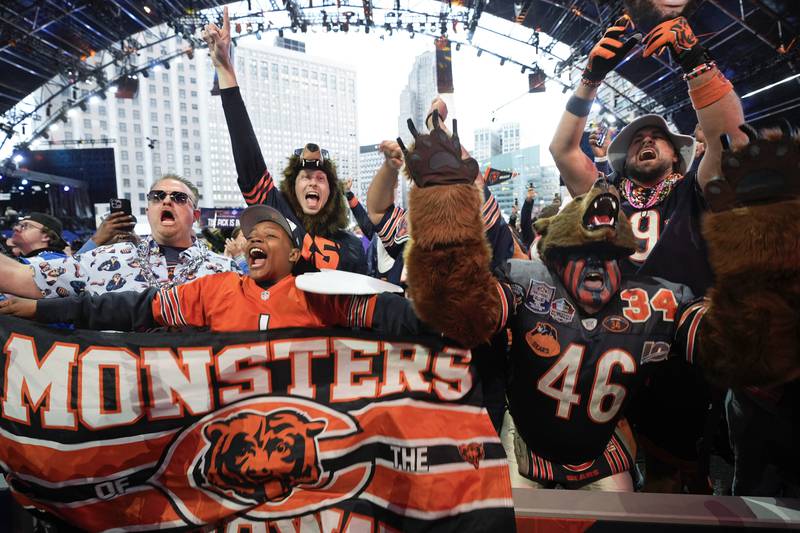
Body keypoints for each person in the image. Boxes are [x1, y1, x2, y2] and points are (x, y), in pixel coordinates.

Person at [400, 116, 800, 491]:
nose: (597, 266)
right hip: (524, 443)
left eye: (609, 256)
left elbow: (746, 350)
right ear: (555, 258)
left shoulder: (655, 299)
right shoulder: (526, 283)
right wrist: (445, 205)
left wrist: (765, 245)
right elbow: (457, 310)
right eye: (582, 253)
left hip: (604, 452)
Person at [548, 13, 749, 492]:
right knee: (604, 476)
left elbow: (729, 142)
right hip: (611, 355)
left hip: (680, 361)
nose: (644, 140)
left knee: (672, 483)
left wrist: (695, 60)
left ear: (676, 154)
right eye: (635, 139)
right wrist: (590, 78)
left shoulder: (693, 190)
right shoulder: (606, 194)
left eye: (655, 136)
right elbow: (563, 150)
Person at [0, 205, 423, 338]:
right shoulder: (213, 289)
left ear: (295, 255)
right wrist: (45, 312)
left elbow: (394, 318)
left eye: (270, 235)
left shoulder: (320, 292)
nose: (256, 239)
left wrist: (445, 315)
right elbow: (128, 309)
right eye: (251, 234)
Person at [204, 8, 366, 274]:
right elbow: (249, 161)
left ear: (332, 191)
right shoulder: (276, 214)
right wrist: (225, 70)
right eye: (305, 176)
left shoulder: (352, 246)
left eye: (321, 178)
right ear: (292, 185)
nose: (313, 181)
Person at [0, 175, 236, 300]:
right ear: (148, 211)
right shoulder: (104, 259)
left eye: (178, 197)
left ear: (194, 215)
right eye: (157, 196)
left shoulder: (225, 269)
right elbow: (19, 278)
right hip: (122, 385)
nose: (166, 200)